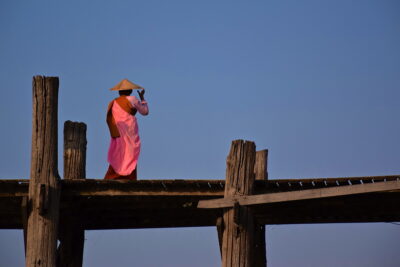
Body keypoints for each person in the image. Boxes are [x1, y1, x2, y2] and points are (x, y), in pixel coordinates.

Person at [104, 79, 149, 180]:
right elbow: (145, 112)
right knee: (130, 153)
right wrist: (142, 99)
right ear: (130, 91)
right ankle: (129, 177)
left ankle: (113, 176)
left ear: (119, 91)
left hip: (118, 133)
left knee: (118, 153)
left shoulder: (113, 102)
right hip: (129, 132)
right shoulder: (132, 99)